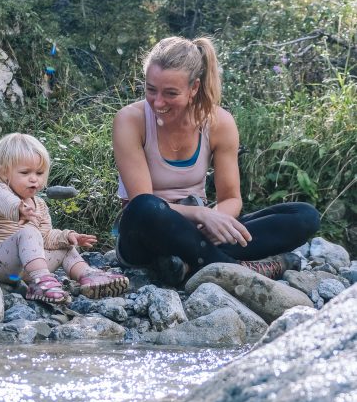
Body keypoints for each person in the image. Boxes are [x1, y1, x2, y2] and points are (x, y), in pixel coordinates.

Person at [112, 36, 320, 285]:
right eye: (150, 89)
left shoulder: (219, 122)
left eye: (170, 93)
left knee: (304, 216)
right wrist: (201, 214)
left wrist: (215, 219)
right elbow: (139, 200)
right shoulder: (129, 120)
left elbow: (231, 199)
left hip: (198, 234)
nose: (158, 102)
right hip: (145, 234)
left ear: (194, 88)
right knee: (146, 207)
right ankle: (240, 269)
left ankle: (185, 265)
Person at [0, 132, 129, 305]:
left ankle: (88, 276)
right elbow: (1, 202)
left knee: (65, 246)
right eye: (25, 172)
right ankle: (41, 280)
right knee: (28, 232)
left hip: (24, 269)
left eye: (40, 172)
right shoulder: (0, 192)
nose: (34, 179)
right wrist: (19, 209)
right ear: (5, 173)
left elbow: (46, 237)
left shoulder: (40, 205)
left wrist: (66, 236)